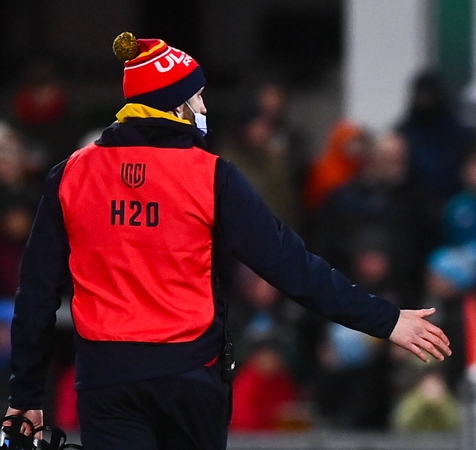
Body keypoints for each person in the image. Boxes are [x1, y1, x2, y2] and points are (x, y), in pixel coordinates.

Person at [4, 32, 451, 450]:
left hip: (107, 382)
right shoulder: (212, 176)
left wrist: (26, 393)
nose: (203, 105)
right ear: (176, 106)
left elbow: (37, 293)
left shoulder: (71, 175)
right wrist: (384, 319)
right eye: (196, 96)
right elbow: (290, 265)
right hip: (190, 378)